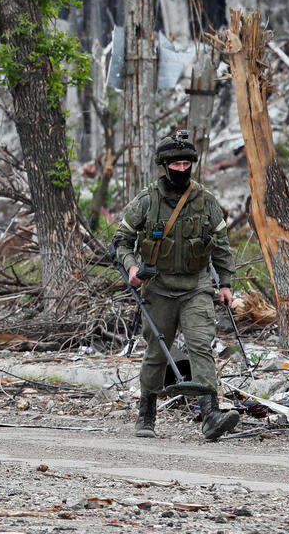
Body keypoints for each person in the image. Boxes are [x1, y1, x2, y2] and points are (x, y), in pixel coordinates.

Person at [111, 130, 240, 440]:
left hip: (196, 286)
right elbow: (121, 240)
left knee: (200, 345)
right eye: (175, 165)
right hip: (158, 286)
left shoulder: (205, 201)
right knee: (157, 350)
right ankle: (147, 412)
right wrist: (131, 267)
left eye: (186, 164)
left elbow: (221, 245)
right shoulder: (147, 200)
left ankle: (210, 414)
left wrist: (225, 284)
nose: (181, 170)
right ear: (164, 166)